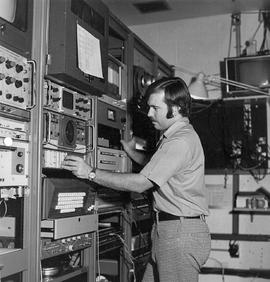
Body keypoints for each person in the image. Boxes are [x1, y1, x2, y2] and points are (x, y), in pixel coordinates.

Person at [61, 77, 211, 282]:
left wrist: (90, 173)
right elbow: (159, 168)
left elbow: (141, 183)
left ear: (175, 109)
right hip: (169, 231)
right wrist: (133, 153)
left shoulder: (179, 141)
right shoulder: (176, 136)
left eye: (154, 108)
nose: (149, 114)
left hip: (179, 234)